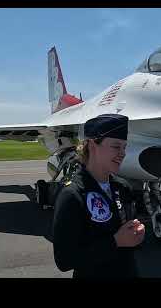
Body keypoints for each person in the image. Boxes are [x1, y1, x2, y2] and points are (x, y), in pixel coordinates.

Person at [52, 113, 145, 279]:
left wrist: (135, 235)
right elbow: (64, 260)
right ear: (93, 145)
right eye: (116, 147)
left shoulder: (122, 187)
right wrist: (115, 241)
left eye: (124, 147)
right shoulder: (72, 194)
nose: (123, 153)